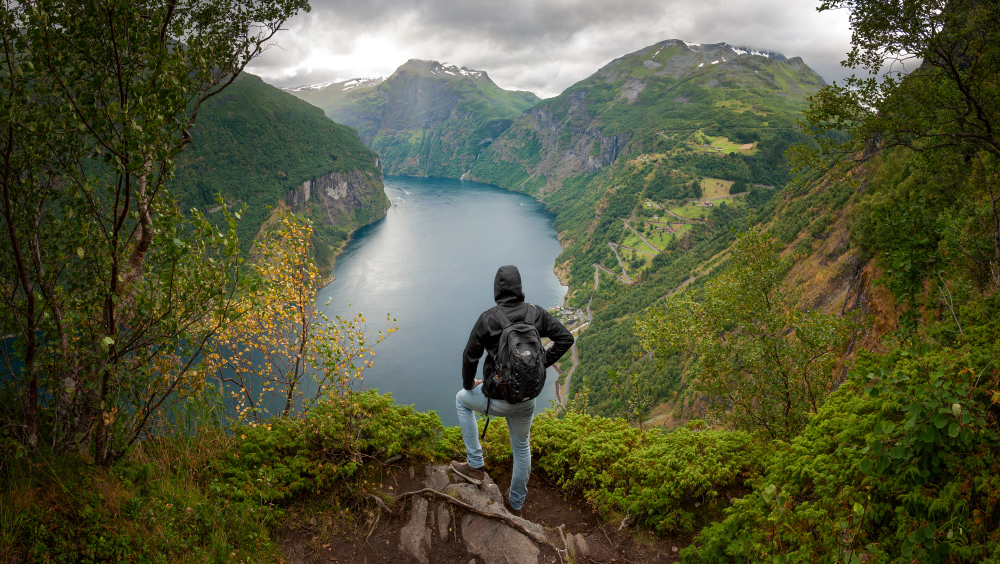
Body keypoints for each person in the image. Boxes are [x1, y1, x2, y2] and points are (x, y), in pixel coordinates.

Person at [451, 265, 574, 515]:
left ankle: (475, 465)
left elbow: (469, 357)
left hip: (498, 398)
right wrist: (541, 364)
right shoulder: (536, 313)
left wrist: (469, 384)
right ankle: (516, 504)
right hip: (528, 397)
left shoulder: (489, 318)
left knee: (461, 400)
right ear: (519, 288)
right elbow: (565, 338)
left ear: (497, 289)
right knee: (521, 448)